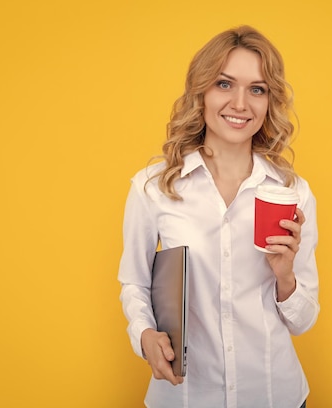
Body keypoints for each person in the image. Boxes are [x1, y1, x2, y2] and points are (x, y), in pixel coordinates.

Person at [118, 25, 319, 408]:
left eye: (257, 89)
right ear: (202, 91)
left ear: (268, 101)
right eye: (225, 84)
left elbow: (302, 320)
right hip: (185, 397)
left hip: (275, 395)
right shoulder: (154, 188)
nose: (240, 104)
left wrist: (285, 276)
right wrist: (144, 333)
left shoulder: (293, 194)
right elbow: (134, 283)